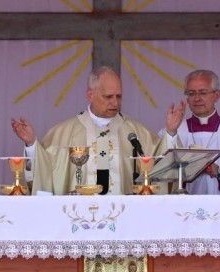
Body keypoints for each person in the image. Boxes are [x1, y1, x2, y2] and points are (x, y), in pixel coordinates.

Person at [11, 66, 182, 195]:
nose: (115, 103)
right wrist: (31, 144)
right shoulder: (63, 132)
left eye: (119, 96)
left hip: (125, 218)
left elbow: (160, 165)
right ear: (90, 95)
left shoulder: (137, 133)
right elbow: (44, 170)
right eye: (108, 97)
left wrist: (171, 133)